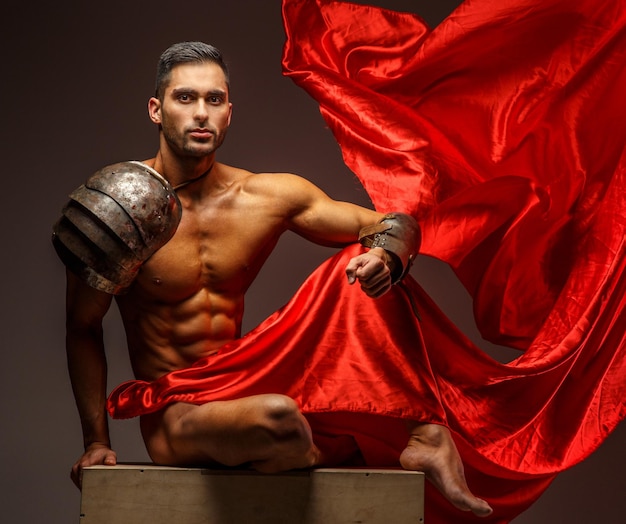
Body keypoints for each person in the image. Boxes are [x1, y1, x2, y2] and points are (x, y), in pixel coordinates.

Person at [60, 41, 492, 517]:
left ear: (229, 113)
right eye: (186, 98)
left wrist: (388, 256)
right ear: (156, 110)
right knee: (281, 419)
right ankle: (356, 447)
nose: (201, 113)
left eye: (215, 100)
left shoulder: (265, 196)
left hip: (241, 383)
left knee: (364, 263)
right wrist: (95, 441)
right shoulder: (121, 204)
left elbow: (392, 224)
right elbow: (83, 326)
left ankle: (425, 433)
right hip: (178, 414)